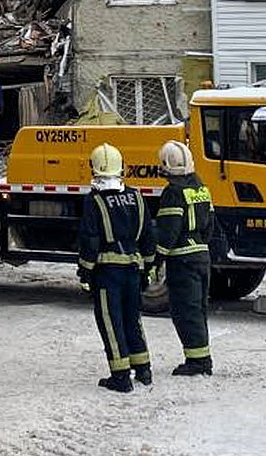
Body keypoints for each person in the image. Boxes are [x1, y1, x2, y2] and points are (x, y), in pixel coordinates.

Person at [77, 143, 156, 392]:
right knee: (133, 318)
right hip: (134, 269)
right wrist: (149, 269)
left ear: (94, 168)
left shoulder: (95, 200)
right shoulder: (136, 196)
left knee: (111, 321)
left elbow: (90, 239)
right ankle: (143, 369)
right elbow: (148, 236)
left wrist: (85, 272)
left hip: (107, 272)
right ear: (122, 168)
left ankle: (120, 376)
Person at [155, 139, 214, 376]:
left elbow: (168, 232)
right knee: (199, 310)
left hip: (183, 260)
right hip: (202, 256)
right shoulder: (201, 188)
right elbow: (210, 227)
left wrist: (156, 260)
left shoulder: (173, 192)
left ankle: (198, 362)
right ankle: (201, 357)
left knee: (185, 311)